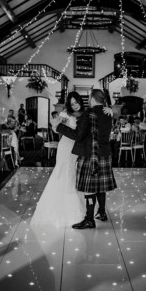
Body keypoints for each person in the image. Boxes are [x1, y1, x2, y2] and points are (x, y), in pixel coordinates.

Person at [58, 89, 116, 229]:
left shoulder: (87, 114)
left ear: (92, 98)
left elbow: (78, 136)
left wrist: (59, 127)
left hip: (90, 154)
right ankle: (101, 213)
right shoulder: (108, 113)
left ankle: (89, 220)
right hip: (105, 154)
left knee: (89, 188)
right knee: (100, 187)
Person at [30, 92, 87, 228]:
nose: (75, 105)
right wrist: (59, 123)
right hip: (65, 147)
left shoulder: (84, 114)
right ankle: (61, 208)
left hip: (77, 148)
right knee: (63, 173)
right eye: (72, 103)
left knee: (74, 174)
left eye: (76, 102)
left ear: (80, 101)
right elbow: (55, 128)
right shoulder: (65, 113)